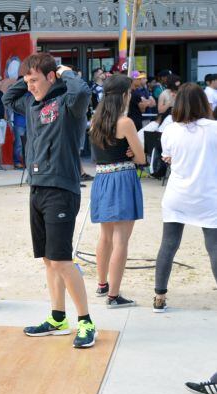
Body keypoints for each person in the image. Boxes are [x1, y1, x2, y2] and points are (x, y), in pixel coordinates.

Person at [3, 53, 96, 348]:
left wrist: (61, 69)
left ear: (52, 77)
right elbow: (7, 97)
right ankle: (58, 318)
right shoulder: (32, 104)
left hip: (62, 189)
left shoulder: (70, 103)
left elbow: (82, 90)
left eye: (35, 80)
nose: (29, 86)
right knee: (48, 259)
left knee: (62, 260)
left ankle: (86, 322)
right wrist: (28, 75)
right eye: (27, 80)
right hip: (38, 188)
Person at [153, 83, 217, 312]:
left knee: (168, 245)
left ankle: (159, 297)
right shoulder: (214, 128)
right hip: (208, 194)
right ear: (204, 103)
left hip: (177, 194)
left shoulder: (170, 129)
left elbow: (167, 158)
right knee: (214, 247)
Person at [88, 74, 147, 307]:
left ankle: (102, 285)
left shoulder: (95, 120)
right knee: (121, 240)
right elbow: (141, 158)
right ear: (125, 95)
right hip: (122, 178)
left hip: (102, 178)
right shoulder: (125, 122)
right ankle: (114, 295)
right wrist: (132, 152)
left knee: (105, 236)